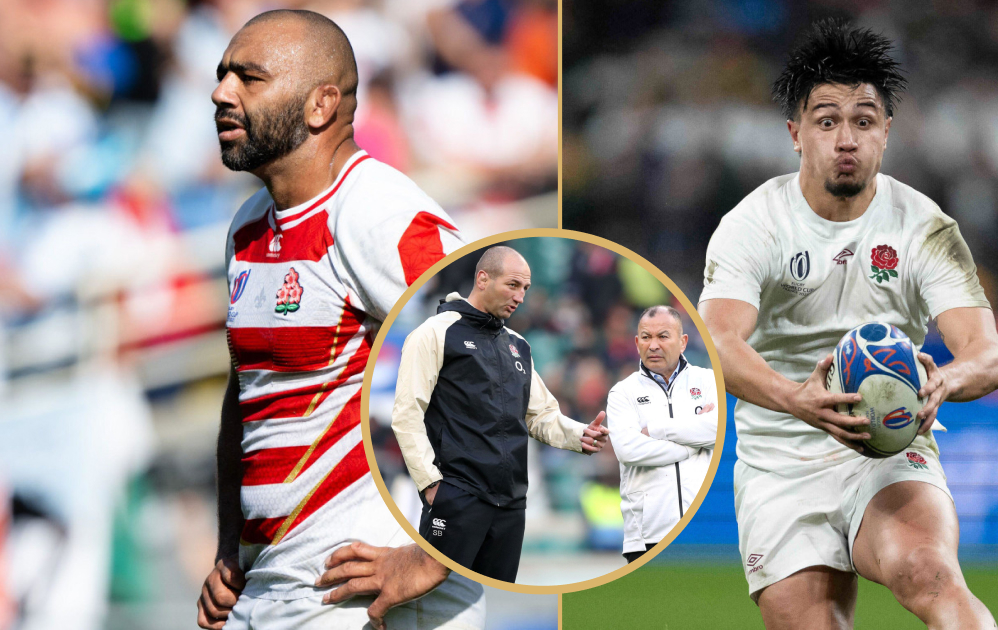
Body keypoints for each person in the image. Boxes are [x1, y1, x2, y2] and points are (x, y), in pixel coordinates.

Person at [698, 20, 998, 630]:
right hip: (778, 457)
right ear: (796, 134)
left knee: (929, 572)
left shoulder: (923, 226)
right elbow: (718, 341)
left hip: (886, 444)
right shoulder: (752, 224)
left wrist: (942, 381)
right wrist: (796, 398)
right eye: (827, 120)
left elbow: (988, 355)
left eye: (863, 121)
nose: (846, 138)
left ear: (885, 133)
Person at [198, 10, 485, 630]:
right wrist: (230, 547)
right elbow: (245, 394)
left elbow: (499, 359)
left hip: (360, 593)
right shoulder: (248, 226)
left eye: (249, 78)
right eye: (222, 75)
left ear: (320, 105)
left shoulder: (377, 212)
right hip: (275, 583)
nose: (222, 93)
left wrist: (433, 557)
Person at [391, 245, 610, 582]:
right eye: (512, 285)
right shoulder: (434, 333)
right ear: (482, 279)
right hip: (457, 496)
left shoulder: (518, 345)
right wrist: (431, 485)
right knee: (438, 597)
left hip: (510, 504)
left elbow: (539, 416)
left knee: (495, 600)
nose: (520, 296)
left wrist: (579, 434)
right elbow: (407, 414)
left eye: (525, 288)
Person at [607, 305, 718, 564]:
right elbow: (628, 450)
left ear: (683, 342)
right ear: (636, 343)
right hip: (647, 534)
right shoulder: (622, 393)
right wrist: (692, 444)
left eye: (663, 336)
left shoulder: (709, 381)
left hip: (701, 528)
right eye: (646, 337)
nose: (653, 345)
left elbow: (717, 429)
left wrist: (657, 430)